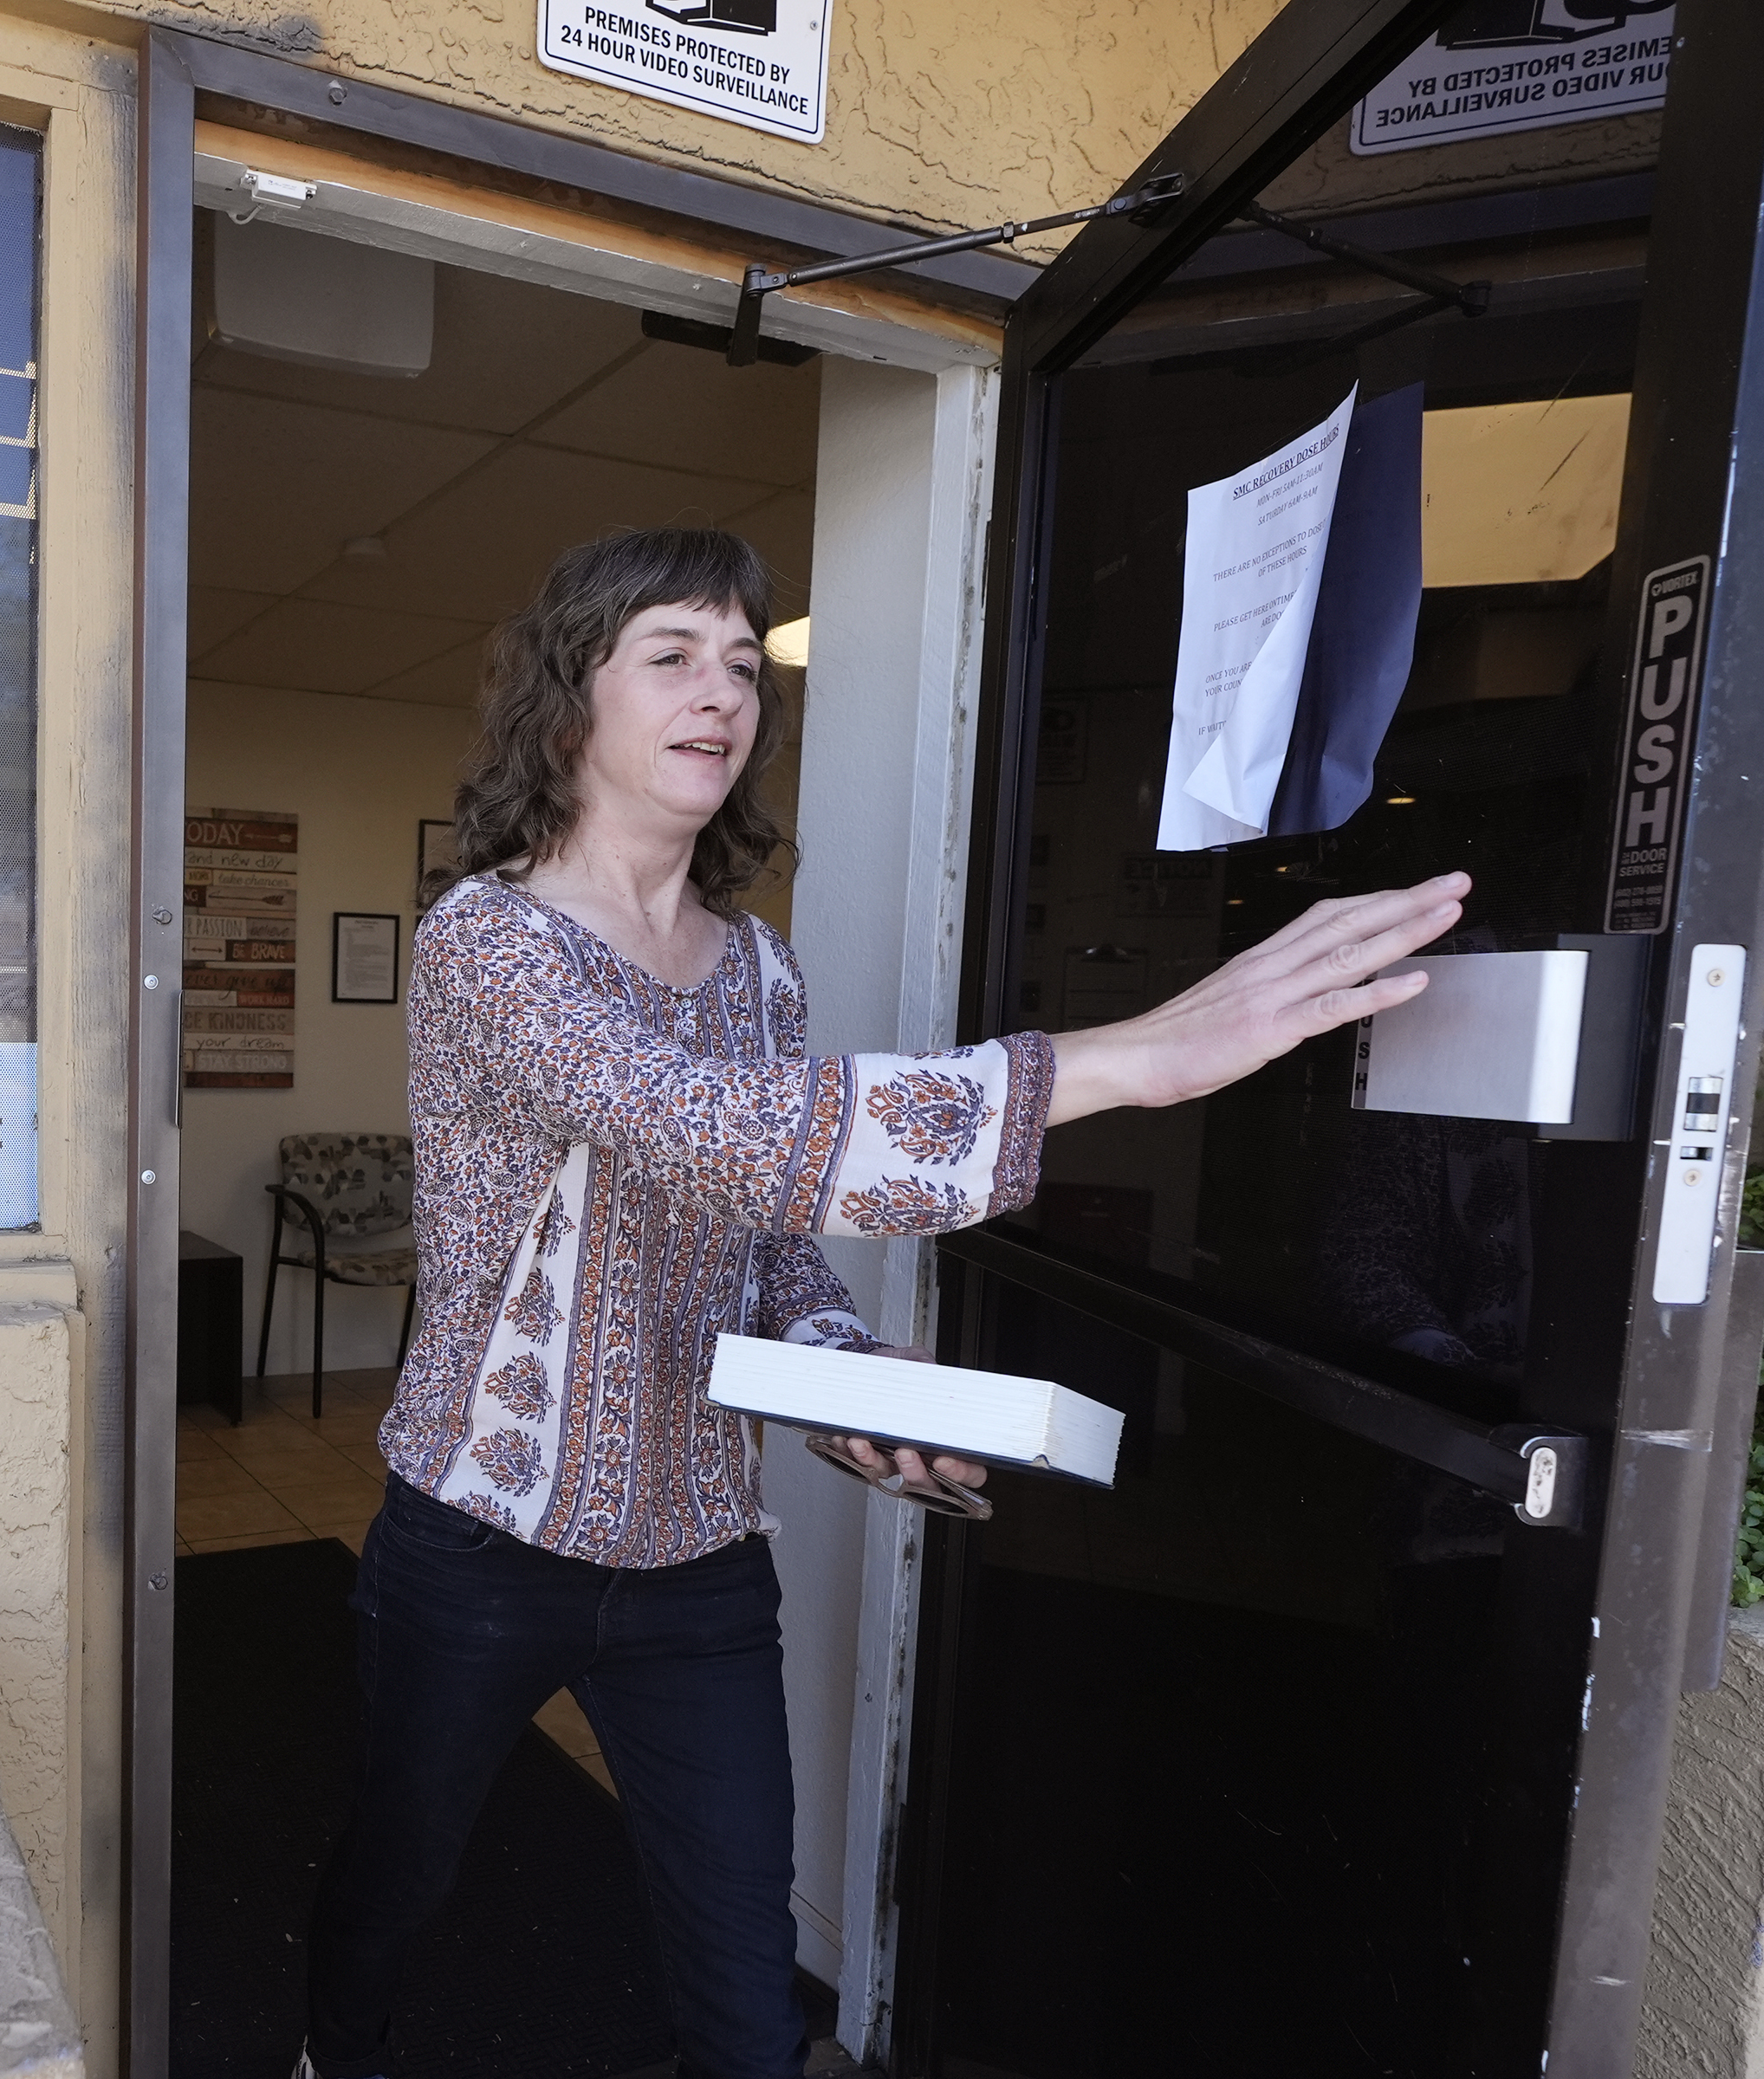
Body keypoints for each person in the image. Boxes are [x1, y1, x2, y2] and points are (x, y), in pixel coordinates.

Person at [295, 528, 1467, 2079]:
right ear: (569, 697)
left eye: (741, 662)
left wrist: (854, 1393)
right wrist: (1127, 1060)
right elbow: (711, 1132)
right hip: (474, 1540)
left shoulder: (760, 972)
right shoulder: (485, 946)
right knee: (399, 1882)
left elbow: (776, 1243)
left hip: (701, 1559)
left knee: (742, 1979)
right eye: (673, 654)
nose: (722, 691)